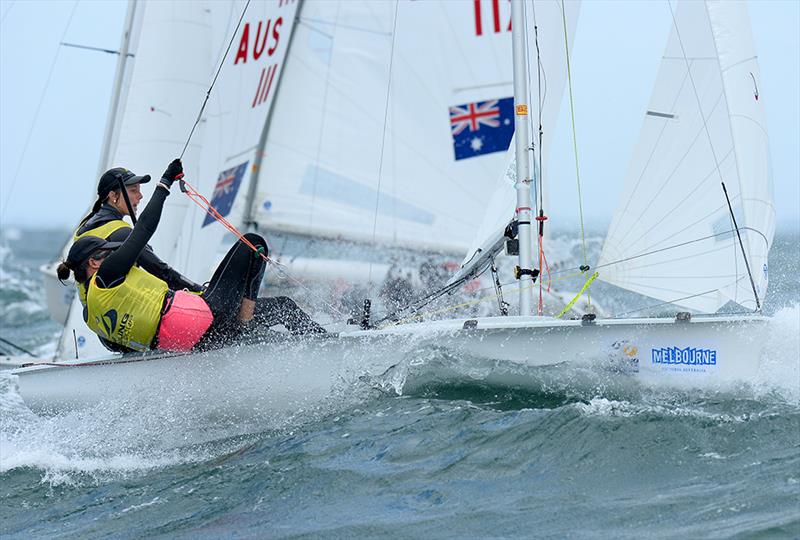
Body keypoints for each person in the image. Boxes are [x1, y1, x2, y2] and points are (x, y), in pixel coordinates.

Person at [57, 159, 325, 353]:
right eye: (133, 190)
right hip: (187, 322)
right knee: (255, 250)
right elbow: (160, 270)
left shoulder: (87, 229)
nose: (140, 195)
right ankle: (314, 343)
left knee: (255, 317)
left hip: (123, 335)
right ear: (113, 196)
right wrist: (202, 292)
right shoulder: (117, 234)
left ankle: (247, 331)